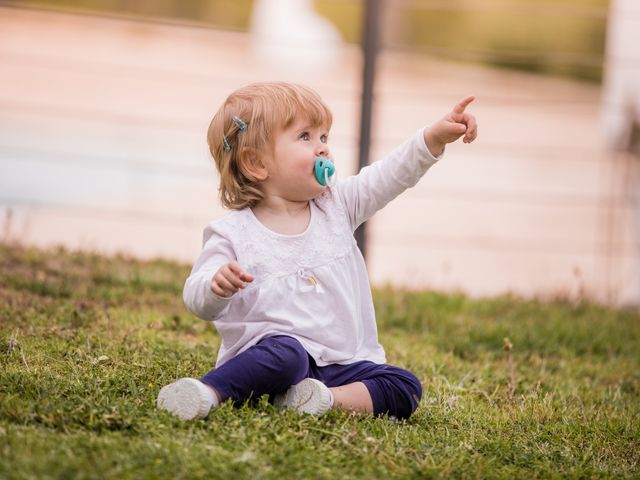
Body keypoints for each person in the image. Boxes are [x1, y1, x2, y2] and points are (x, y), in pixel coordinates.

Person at [157, 81, 477, 421]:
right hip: (273, 358)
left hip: (343, 365)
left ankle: (320, 400)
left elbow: (389, 176)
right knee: (287, 355)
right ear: (256, 163)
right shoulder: (234, 233)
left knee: (404, 385)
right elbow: (197, 298)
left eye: (324, 137)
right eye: (305, 137)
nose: (323, 149)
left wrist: (433, 139)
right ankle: (208, 391)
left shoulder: (337, 205)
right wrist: (214, 286)